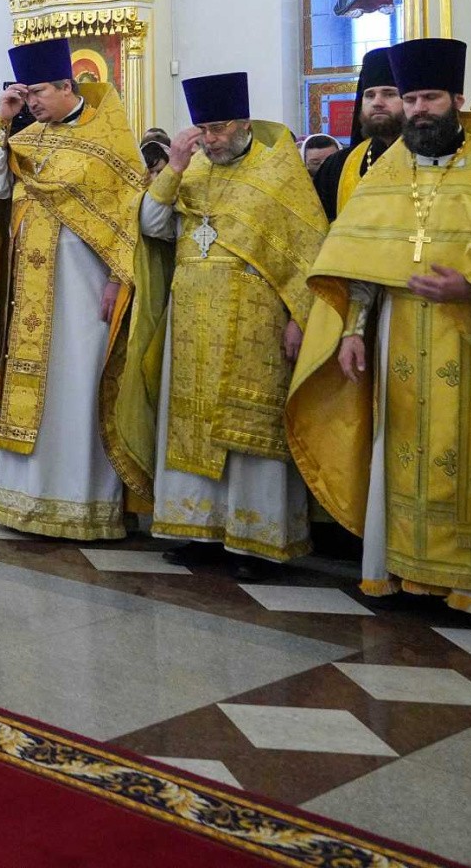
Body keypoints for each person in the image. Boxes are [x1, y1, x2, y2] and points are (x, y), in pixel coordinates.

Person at [289, 37, 471, 633]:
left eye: (430, 97)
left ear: (458, 98)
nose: (419, 110)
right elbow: (360, 263)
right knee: (400, 453)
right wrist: (352, 331)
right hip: (400, 334)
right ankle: (403, 574)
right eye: (411, 99)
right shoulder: (387, 173)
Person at [129, 72, 322, 578]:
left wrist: (301, 319)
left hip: (257, 323)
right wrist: (172, 165)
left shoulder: (278, 173)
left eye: (217, 129)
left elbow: (307, 254)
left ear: (242, 124)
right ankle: (197, 531)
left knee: (249, 433)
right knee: (189, 425)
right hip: (192, 319)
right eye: (202, 130)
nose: (209, 140)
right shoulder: (189, 172)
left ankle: (256, 541)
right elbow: (151, 224)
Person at [0, 37, 144, 540]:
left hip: (84, 289)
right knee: (36, 389)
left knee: (78, 387)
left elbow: (127, 218)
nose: (31, 103)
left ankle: (83, 504)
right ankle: (24, 500)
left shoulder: (108, 140)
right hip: (29, 291)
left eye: (37, 95)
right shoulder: (28, 140)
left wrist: (120, 278)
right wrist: (4, 120)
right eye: (24, 96)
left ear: (68, 86)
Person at [311, 47, 401, 219]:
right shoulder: (337, 165)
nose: (377, 102)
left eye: (389, 94)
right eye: (369, 95)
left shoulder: (430, 162)